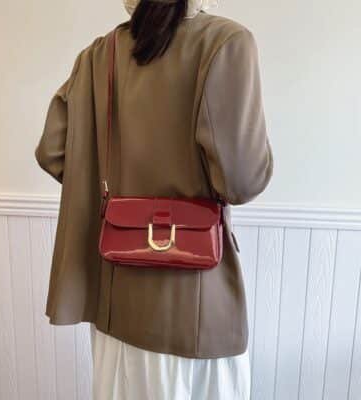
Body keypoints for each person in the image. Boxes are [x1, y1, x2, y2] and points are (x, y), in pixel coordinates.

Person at [34, 0, 273, 398]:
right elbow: (242, 181)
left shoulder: (100, 54)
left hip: (114, 303)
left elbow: (53, 151)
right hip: (192, 310)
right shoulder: (226, 42)